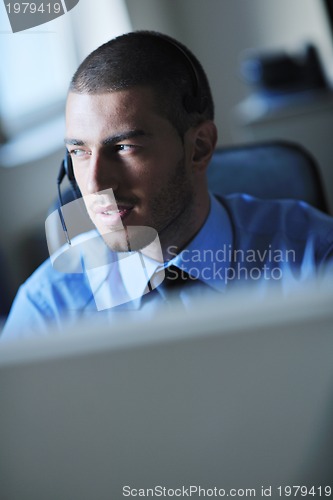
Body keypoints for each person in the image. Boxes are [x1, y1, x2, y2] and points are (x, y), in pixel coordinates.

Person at [2, 30, 333, 339]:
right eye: (79, 151)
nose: (95, 183)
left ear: (199, 148)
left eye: (123, 147)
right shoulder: (49, 307)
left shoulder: (315, 259)